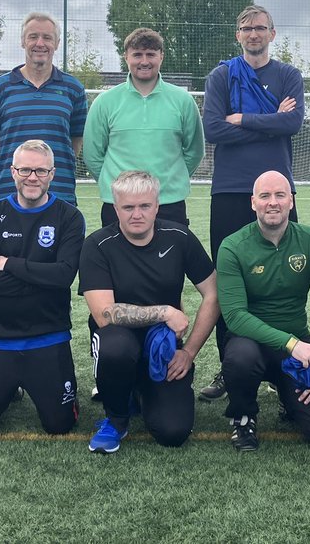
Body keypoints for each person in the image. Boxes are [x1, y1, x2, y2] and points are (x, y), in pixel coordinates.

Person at [199, 5, 305, 401]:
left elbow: (292, 124)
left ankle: (285, 365)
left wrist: (241, 119)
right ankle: (232, 368)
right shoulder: (222, 75)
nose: (253, 34)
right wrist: (267, 120)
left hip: (279, 189)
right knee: (231, 281)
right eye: (246, 28)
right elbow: (213, 128)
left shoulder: (288, 75)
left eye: (260, 27)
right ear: (237, 34)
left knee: (285, 279)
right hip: (230, 189)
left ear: (273, 34)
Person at [79, 171, 219, 453]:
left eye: (144, 206)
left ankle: (141, 390)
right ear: (116, 208)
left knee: (173, 432)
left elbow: (214, 294)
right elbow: (103, 314)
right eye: (128, 207)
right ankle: (116, 418)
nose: (137, 214)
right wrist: (165, 311)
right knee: (116, 345)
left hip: (162, 345)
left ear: (157, 206)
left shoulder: (179, 238)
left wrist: (188, 353)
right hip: (118, 342)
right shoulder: (97, 245)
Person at [215, 171, 310, 451]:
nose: (272, 202)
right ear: (253, 202)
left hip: (295, 349)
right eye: (265, 196)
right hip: (251, 344)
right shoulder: (232, 246)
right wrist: (292, 344)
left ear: (291, 201)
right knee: (241, 356)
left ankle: (287, 396)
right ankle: (243, 418)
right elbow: (235, 317)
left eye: (280, 195)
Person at [0, 140, 86, 436]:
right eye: (25, 169)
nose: (33, 177)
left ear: (52, 174)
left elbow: (64, 276)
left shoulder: (69, 217)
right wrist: (42, 279)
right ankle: (6, 387)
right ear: (12, 172)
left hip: (48, 337)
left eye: (40, 171)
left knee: (60, 426)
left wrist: (9, 264)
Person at [82, 28, 205, 228]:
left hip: (169, 203)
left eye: (151, 54)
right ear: (126, 57)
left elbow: (194, 151)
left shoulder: (183, 101)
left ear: (161, 56)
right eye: (137, 54)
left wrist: (170, 180)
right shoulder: (105, 102)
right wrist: (119, 188)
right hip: (120, 205)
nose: (144, 61)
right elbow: (93, 155)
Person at [0, 12, 88, 205]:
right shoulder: (0, 88)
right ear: (23, 41)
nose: (40, 43)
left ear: (57, 43)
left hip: (60, 195)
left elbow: (75, 141)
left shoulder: (74, 89)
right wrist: (19, 174)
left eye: (47, 37)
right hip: (9, 195)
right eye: (33, 37)